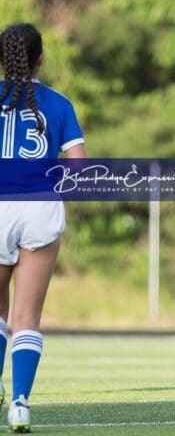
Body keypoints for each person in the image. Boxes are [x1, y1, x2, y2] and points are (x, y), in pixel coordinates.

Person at [0, 23, 86, 433]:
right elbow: (79, 168)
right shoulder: (58, 103)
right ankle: (19, 404)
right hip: (38, 210)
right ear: (40, 59)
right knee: (26, 315)